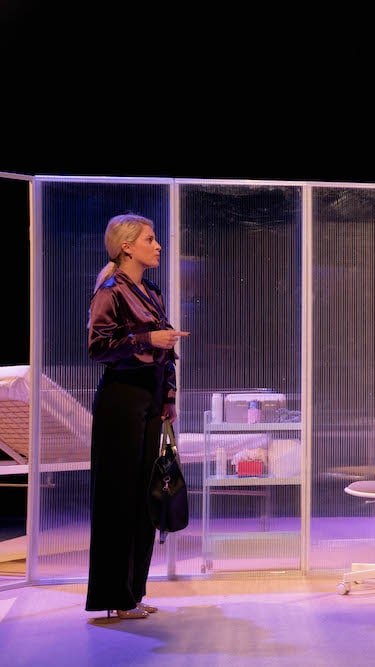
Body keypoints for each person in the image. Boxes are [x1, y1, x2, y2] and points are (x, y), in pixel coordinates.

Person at [84, 213, 189, 619]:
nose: (157, 245)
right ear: (127, 246)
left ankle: (133, 594)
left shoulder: (152, 291)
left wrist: (169, 396)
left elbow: (166, 349)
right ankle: (114, 597)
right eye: (149, 239)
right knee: (118, 498)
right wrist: (148, 338)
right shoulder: (110, 291)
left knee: (145, 496)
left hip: (150, 399)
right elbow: (98, 348)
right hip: (122, 399)